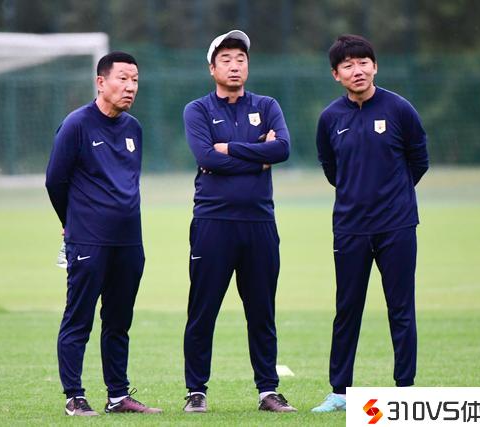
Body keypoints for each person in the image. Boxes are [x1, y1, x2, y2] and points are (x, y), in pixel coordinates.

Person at [312, 34, 429, 413]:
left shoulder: (399, 109)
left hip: (397, 225)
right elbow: (331, 168)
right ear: (336, 74)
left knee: (401, 309)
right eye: (347, 65)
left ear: (375, 66)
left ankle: (405, 389)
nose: (357, 70)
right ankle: (340, 393)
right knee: (347, 310)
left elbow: (419, 160)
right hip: (350, 228)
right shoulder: (330, 118)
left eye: (363, 62)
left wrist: (393, 196)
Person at [182, 30, 295, 413]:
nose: (235, 65)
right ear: (212, 68)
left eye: (241, 59)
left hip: (259, 223)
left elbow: (282, 149)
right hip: (213, 223)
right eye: (226, 59)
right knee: (202, 311)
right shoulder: (197, 110)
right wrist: (258, 156)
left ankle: (268, 391)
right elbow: (206, 157)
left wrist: (230, 148)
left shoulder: (267, 105)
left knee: (262, 311)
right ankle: (196, 391)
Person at [45, 51, 161, 416]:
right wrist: (72, 221)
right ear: (101, 82)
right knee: (78, 318)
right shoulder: (76, 124)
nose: (130, 87)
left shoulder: (134, 129)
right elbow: (54, 181)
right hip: (88, 240)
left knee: (118, 321)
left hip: (129, 241)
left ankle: (118, 396)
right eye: (123, 79)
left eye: (135, 80)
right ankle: (74, 396)